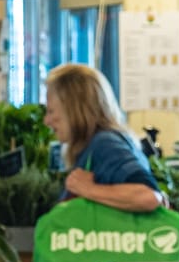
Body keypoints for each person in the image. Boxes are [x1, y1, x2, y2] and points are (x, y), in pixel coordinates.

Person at [43, 64, 162, 214]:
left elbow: (148, 196)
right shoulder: (96, 144)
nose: (47, 121)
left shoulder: (105, 145)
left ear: (74, 109)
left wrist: (89, 189)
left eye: (51, 111)